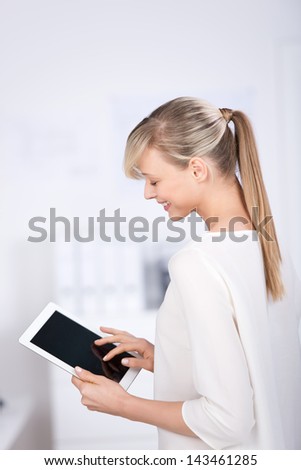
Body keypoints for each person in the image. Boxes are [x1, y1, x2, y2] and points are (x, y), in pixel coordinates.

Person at [72, 97, 301, 450]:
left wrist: (124, 406)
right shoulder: (271, 244)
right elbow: (260, 369)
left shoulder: (197, 262)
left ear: (197, 169)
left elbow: (229, 422)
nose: (148, 194)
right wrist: (167, 360)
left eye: (153, 180)